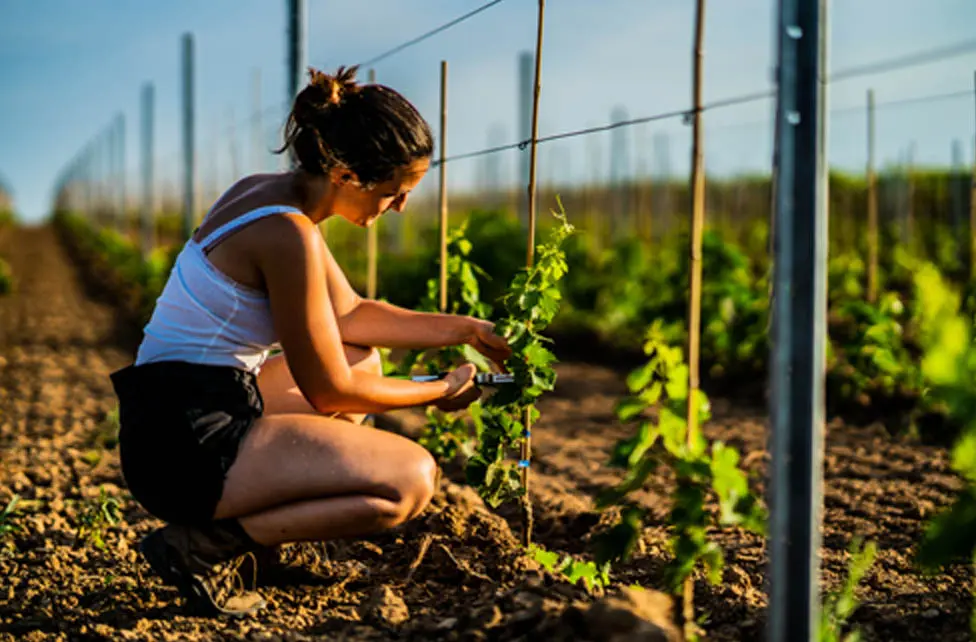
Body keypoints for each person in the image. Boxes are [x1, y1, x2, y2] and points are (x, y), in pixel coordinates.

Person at [109, 65, 513, 617]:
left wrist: (466, 329)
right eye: (394, 193)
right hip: (187, 448)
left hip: (172, 412)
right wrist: (441, 388)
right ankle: (206, 546)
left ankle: (258, 548)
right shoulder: (287, 234)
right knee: (408, 482)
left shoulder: (266, 194)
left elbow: (349, 315)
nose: (399, 208)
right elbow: (331, 393)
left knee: (362, 357)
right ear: (346, 174)